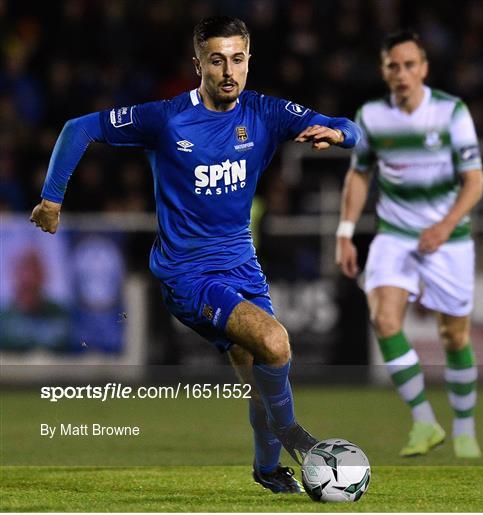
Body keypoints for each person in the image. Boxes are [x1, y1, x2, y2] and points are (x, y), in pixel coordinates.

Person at [30, 17, 361, 493]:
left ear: (249, 61)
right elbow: (77, 128)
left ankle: (268, 470)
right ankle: (296, 438)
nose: (229, 70)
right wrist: (52, 199)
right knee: (276, 341)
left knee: (258, 374)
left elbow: (348, 127)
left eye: (238, 59)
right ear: (198, 63)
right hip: (186, 276)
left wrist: (339, 136)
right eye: (217, 59)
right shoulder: (166, 118)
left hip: (243, 267)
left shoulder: (264, 113)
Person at [335, 30, 483, 459]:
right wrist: (345, 232)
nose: (401, 74)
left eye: (409, 65)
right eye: (392, 66)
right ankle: (424, 422)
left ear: (424, 68)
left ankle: (465, 430)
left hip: (449, 240)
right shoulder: (371, 117)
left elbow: (475, 181)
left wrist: (445, 225)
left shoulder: (451, 112)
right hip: (395, 236)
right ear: (384, 71)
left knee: (454, 336)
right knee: (383, 320)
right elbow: (360, 175)